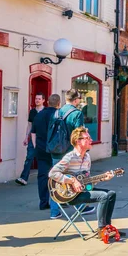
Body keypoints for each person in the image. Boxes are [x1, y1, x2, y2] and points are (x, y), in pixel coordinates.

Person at [49, 127, 117, 234]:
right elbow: (52, 173)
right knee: (103, 196)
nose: (91, 140)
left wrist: (102, 178)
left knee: (111, 194)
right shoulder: (69, 157)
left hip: (82, 191)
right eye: (87, 138)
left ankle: (107, 226)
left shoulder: (87, 157)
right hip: (70, 195)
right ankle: (102, 229)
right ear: (78, 141)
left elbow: (87, 183)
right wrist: (72, 181)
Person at [48, 89, 86, 219]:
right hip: (70, 152)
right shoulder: (77, 114)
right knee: (77, 178)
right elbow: (79, 134)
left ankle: (54, 211)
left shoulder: (57, 112)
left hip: (56, 150)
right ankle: (80, 206)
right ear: (76, 100)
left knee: (55, 179)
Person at [30, 94, 59, 210]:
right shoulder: (58, 115)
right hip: (56, 150)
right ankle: (59, 201)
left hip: (41, 149)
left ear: (47, 102)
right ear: (58, 103)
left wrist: (36, 145)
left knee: (42, 176)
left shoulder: (39, 115)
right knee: (58, 175)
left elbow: (33, 132)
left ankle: (43, 202)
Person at [16, 93, 45, 186]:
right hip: (33, 138)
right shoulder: (32, 112)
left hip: (43, 139)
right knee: (29, 158)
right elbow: (29, 125)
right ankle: (23, 178)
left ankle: (47, 177)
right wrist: (26, 137)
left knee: (44, 159)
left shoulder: (46, 112)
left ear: (43, 100)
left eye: (39, 99)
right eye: (36, 99)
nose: (37, 100)